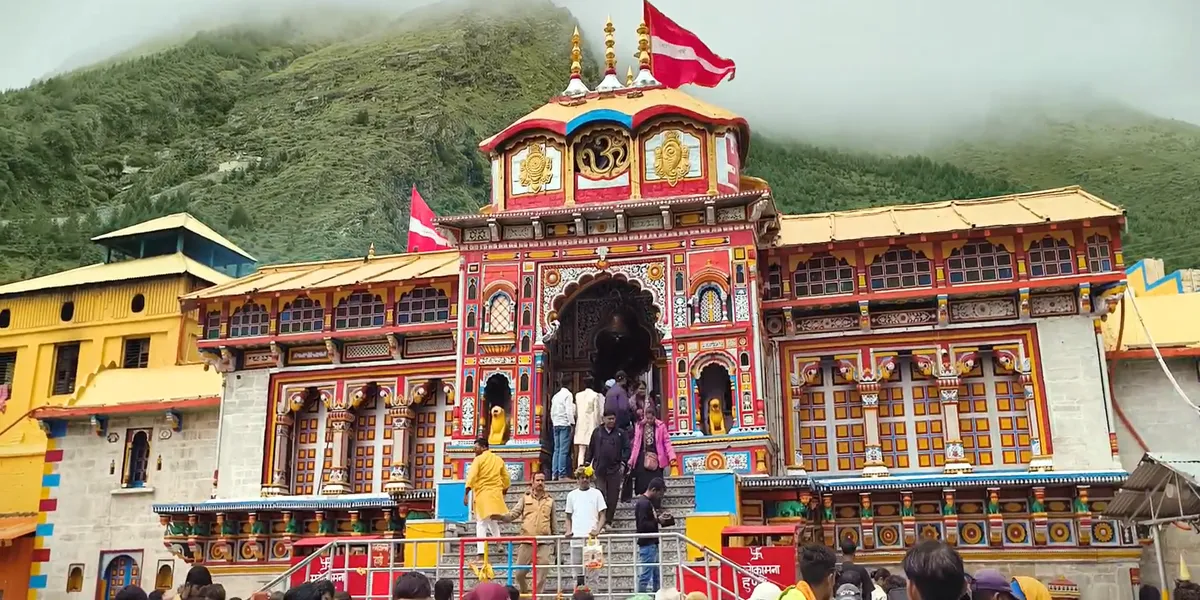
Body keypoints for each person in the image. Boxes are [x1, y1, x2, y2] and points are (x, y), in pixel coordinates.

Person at [503, 472, 555, 594]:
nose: (540, 483)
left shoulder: (550, 501)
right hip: (526, 542)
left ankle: (536, 597)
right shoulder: (524, 499)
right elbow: (513, 514)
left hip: (543, 543)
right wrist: (501, 517)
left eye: (542, 480)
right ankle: (525, 594)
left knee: (541, 575)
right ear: (532, 482)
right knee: (519, 574)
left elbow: (554, 524)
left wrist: (556, 545)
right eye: (538, 480)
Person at [464, 436, 511, 554]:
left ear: (484, 447)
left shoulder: (478, 460)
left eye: (476, 448)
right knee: (491, 519)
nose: (474, 450)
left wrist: (466, 492)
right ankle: (498, 541)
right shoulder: (498, 459)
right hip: (495, 495)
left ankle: (480, 553)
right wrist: (505, 489)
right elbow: (506, 477)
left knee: (481, 523)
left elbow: (472, 476)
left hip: (483, 495)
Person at [564, 466, 607, 588]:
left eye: (587, 477)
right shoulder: (571, 495)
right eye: (582, 477)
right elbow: (568, 516)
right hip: (576, 538)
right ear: (577, 479)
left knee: (593, 573)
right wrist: (568, 530)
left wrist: (598, 529)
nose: (585, 480)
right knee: (577, 574)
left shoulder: (597, 493)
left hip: (592, 540)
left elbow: (603, 514)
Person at [583, 410, 629, 524]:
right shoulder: (597, 432)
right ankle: (600, 521)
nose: (611, 421)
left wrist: (623, 462)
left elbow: (627, 448)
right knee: (600, 494)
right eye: (609, 419)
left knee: (613, 496)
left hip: (615, 469)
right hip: (599, 470)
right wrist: (587, 462)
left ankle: (609, 521)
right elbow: (591, 448)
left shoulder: (620, 433)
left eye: (613, 419)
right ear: (603, 419)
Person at [634, 477, 670, 592]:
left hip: (651, 543)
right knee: (646, 575)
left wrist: (658, 519)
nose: (660, 497)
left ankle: (655, 594)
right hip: (648, 544)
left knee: (655, 575)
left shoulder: (645, 502)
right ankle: (640, 596)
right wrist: (657, 520)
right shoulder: (644, 503)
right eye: (660, 494)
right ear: (654, 490)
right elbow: (642, 525)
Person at [628, 409, 676, 495]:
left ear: (654, 417)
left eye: (651, 418)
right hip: (642, 457)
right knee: (643, 482)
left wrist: (671, 456)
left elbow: (667, 442)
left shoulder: (661, 426)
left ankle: (656, 502)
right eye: (647, 418)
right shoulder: (640, 426)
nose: (649, 420)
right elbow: (636, 444)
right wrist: (631, 460)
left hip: (657, 457)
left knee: (656, 482)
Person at [574, 377, 603, 469]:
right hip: (591, 424)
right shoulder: (595, 395)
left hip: (580, 424)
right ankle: (590, 470)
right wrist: (599, 424)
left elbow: (576, 412)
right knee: (592, 449)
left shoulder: (578, 395)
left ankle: (579, 470)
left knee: (581, 450)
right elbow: (597, 412)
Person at [550, 375, 575, 480]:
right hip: (564, 424)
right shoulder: (568, 395)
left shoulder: (555, 396)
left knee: (557, 450)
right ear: (570, 384)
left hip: (556, 424)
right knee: (564, 450)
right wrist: (572, 423)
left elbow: (552, 411)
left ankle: (554, 474)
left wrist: (554, 422)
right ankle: (562, 474)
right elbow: (569, 410)